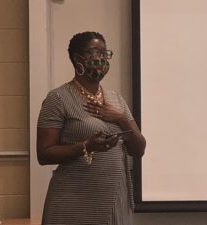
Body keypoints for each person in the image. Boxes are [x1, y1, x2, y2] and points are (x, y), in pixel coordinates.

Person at [36, 31, 146, 225]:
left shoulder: (116, 99)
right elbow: (44, 154)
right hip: (73, 202)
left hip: (113, 197)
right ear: (78, 58)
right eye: (96, 51)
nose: (102, 58)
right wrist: (87, 146)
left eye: (105, 53)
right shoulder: (59, 98)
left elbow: (138, 149)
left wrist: (120, 118)